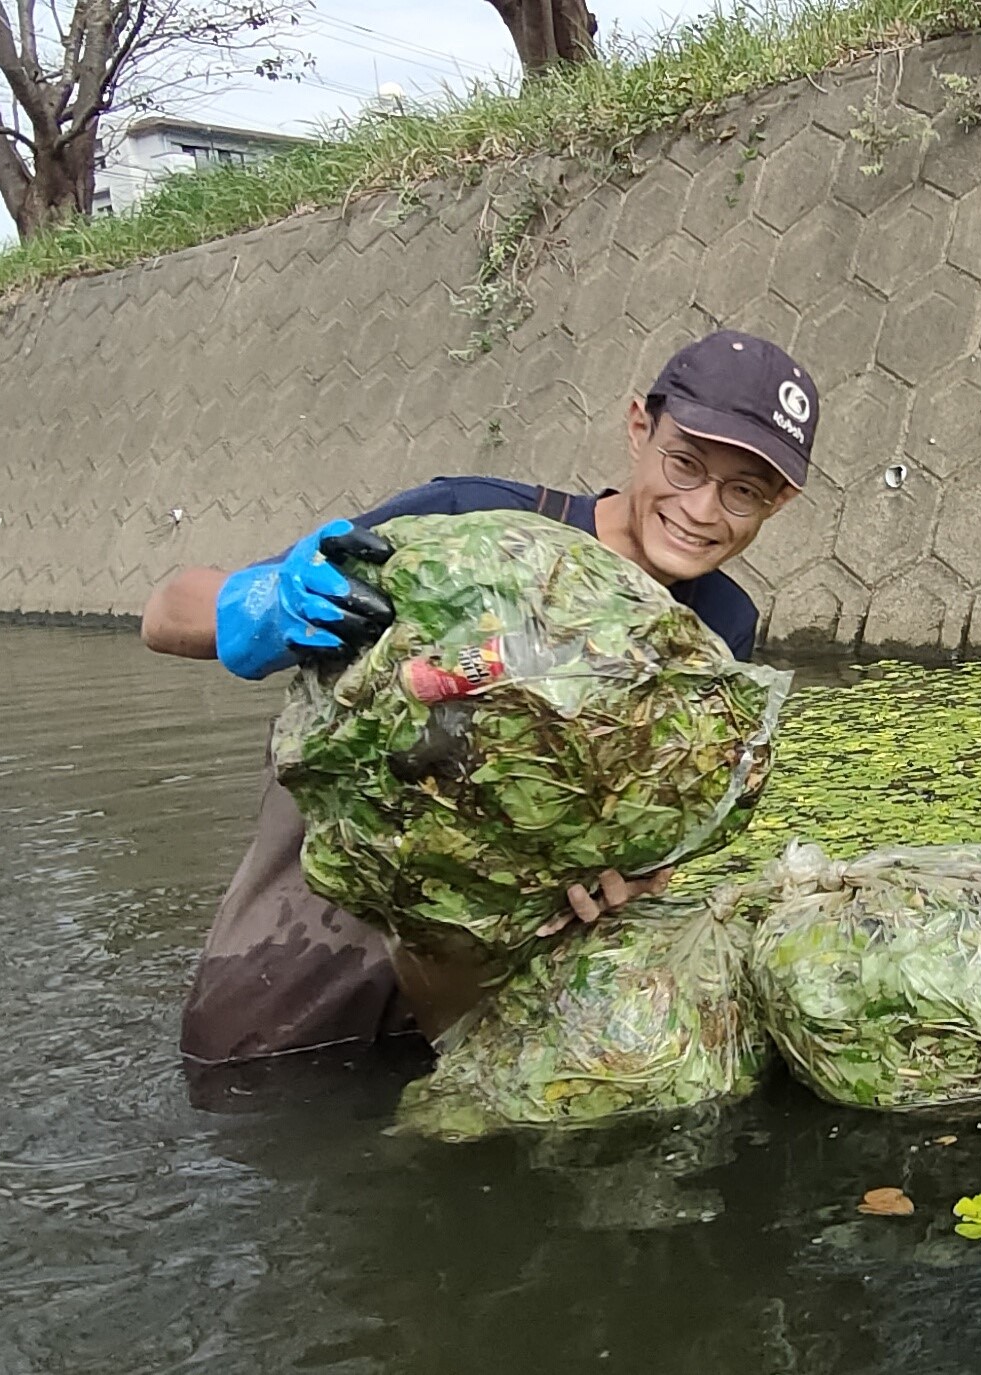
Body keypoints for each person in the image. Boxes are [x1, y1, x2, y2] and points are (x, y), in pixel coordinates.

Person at [142, 330, 820, 1069]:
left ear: (777, 502)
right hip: (328, 897)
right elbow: (167, 610)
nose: (699, 507)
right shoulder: (471, 522)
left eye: (742, 490)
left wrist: (637, 872)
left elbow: (668, 817)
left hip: (505, 945)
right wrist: (267, 604)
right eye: (684, 463)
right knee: (245, 1076)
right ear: (637, 427)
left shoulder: (719, 629)